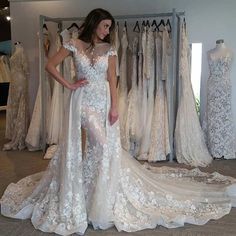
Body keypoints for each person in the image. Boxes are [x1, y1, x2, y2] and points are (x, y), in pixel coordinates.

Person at [1, 9, 236, 236]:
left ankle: (94, 192)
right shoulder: (73, 44)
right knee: (103, 146)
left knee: (99, 149)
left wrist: (115, 107)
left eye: (109, 27)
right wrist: (69, 84)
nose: (107, 30)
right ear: (94, 23)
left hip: (104, 102)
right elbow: (49, 65)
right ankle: (95, 195)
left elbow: (112, 79)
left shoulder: (110, 49)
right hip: (83, 103)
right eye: (104, 26)